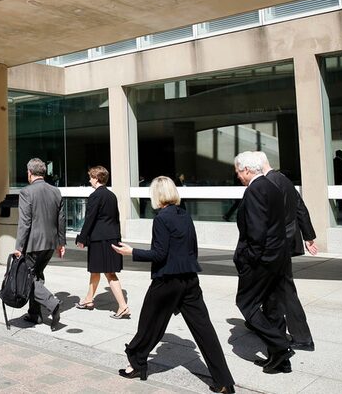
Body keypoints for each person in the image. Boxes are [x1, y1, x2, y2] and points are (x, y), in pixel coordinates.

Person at [113, 177, 234, 391]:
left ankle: (137, 362)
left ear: (157, 195)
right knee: (204, 330)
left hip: (167, 280)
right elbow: (193, 249)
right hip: (190, 279)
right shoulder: (184, 214)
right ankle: (224, 381)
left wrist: (131, 251)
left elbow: (159, 254)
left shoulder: (161, 219)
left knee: (149, 324)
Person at [232, 151, 292, 374]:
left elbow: (257, 231)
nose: (238, 176)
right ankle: (279, 360)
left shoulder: (255, 190)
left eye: (238, 171)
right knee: (272, 305)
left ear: (247, 170)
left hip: (262, 260)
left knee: (245, 303)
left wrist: (249, 259)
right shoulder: (272, 186)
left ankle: (280, 346)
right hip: (278, 257)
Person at [258, 153, 318, 352]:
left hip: (277, 245)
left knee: (284, 290)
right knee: (276, 288)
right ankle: (269, 325)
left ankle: (302, 337)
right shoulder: (283, 179)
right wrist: (309, 236)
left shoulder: (268, 183)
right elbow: (300, 208)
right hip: (286, 242)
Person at [14, 158, 66, 331]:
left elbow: (25, 222)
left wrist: (18, 247)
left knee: (28, 278)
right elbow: (61, 219)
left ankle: (52, 303)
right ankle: (34, 314)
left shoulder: (26, 192)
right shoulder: (55, 191)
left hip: (33, 244)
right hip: (50, 243)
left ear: (30, 172)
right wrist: (61, 242)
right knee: (37, 275)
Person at [75, 166, 129, 318]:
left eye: (91, 177)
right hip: (111, 237)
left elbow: (90, 219)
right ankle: (88, 299)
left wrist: (82, 239)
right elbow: (115, 219)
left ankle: (123, 306)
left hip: (100, 240)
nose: (89, 180)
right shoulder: (111, 195)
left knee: (109, 274)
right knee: (96, 271)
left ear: (97, 178)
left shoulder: (95, 196)